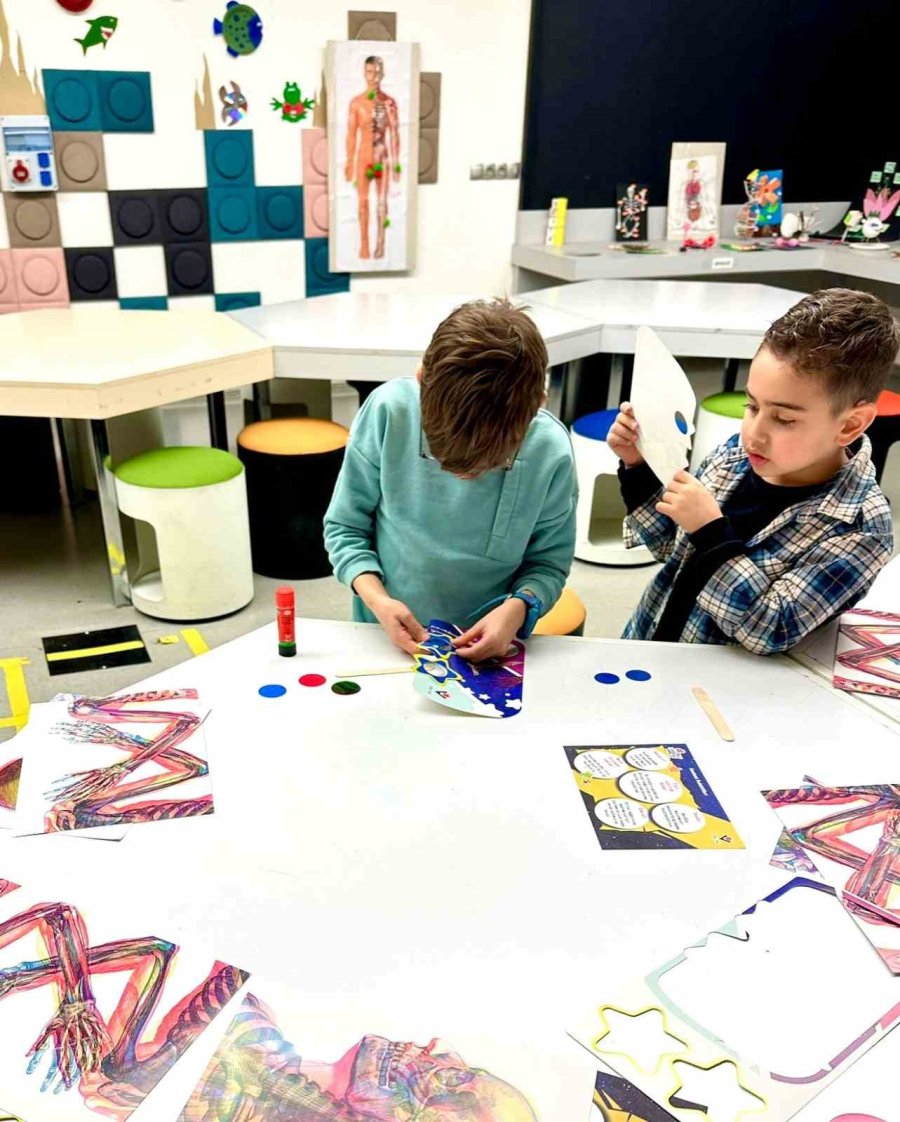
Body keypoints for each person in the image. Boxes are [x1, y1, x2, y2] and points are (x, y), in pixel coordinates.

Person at [608, 288, 898, 653]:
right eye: (752, 405)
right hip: (652, 643)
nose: (754, 433)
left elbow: (771, 628)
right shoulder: (736, 456)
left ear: (850, 426)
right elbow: (669, 545)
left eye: (784, 418)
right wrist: (638, 467)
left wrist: (711, 533)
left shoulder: (860, 529)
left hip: (721, 698)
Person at [324, 299, 577, 662]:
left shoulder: (551, 452)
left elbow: (548, 564)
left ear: (537, 406)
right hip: (381, 635)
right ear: (422, 381)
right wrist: (378, 600)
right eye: (437, 455)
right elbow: (344, 528)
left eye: (493, 462)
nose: (464, 477)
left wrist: (519, 608)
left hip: (492, 652)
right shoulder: (388, 413)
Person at [345, 54, 400, 259]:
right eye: (370, 72)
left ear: (382, 74)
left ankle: (381, 245)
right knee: (362, 202)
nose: (374, 77)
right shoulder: (357, 103)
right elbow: (351, 134)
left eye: (377, 72)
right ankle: (364, 245)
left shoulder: (390, 103)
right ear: (364, 73)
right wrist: (349, 162)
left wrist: (395, 163)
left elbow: (395, 133)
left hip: (382, 157)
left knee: (381, 202)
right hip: (363, 157)